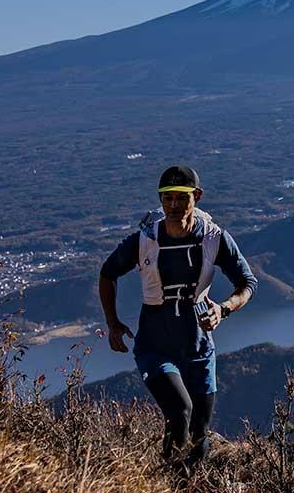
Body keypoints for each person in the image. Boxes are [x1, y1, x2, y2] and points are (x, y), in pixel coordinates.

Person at [99, 165, 257, 473]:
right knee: (180, 411)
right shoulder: (144, 240)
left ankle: (185, 481)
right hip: (154, 347)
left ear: (196, 197)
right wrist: (112, 322)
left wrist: (223, 309)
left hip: (198, 348)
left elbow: (247, 284)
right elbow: (107, 274)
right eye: (166, 198)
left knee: (199, 432)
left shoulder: (214, 238)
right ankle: (169, 481)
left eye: (181, 198)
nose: (173, 206)